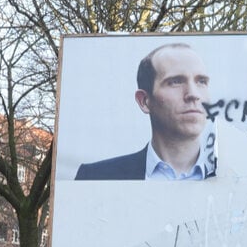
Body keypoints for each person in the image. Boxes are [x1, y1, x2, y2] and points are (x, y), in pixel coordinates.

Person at [75, 43, 216, 181]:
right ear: (144, 101)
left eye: (201, 81)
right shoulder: (96, 177)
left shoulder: (235, 177)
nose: (193, 94)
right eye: (175, 81)